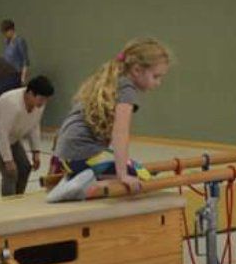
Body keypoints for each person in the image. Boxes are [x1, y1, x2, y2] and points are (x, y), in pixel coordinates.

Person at [47, 38, 170, 202]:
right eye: (156, 76)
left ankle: (80, 178)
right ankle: (83, 187)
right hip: (82, 154)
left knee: (135, 169)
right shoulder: (127, 89)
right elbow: (120, 133)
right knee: (141, 177)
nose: (158, 83)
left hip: (67, 155)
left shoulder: (110, 80)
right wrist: (122, 174)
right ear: (137, 70)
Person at [0, 77, 54, 197]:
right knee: (10, 173)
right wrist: (8, 160)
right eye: (41, 99)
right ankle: (9, 205)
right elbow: (2, 132)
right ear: (30, 93)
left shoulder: (39, 105)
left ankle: (18, 198)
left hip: (12, 137)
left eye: (46, 100)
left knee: (25, 168)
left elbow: (34, 125)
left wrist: (36, 152)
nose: (43, 103)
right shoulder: (12, 103)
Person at [1, 19, 31, 84]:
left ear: (11, 30)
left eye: (6, 32)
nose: (5, 35)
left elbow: (25, 60)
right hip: (8, 74)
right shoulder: (7, 43)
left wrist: (23, 78)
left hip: (17, 73)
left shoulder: (19, 41)